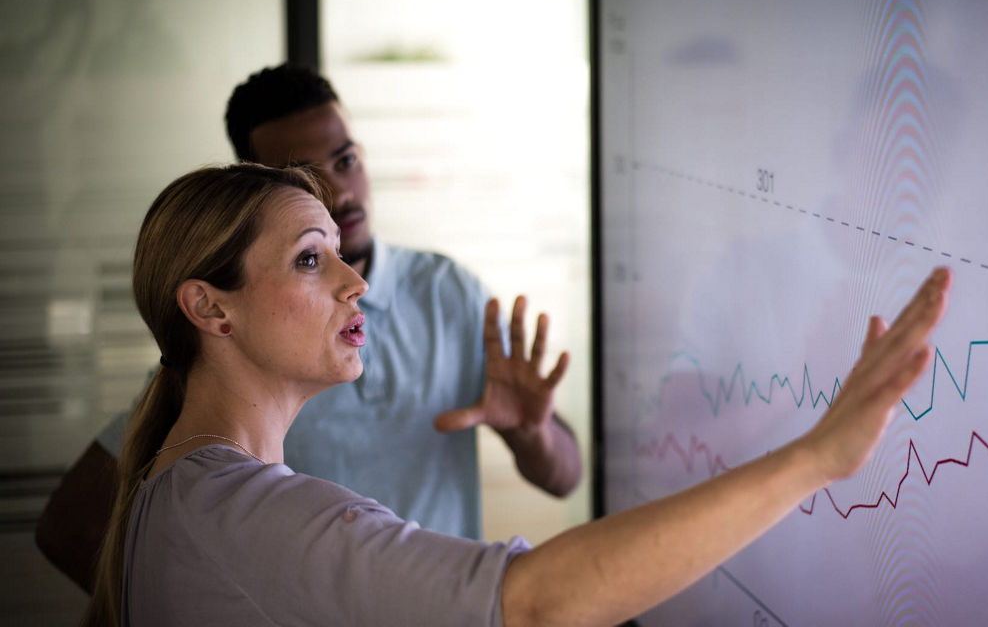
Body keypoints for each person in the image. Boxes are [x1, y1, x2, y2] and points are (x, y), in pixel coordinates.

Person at [84, 162, 952, 626]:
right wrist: (814, 458)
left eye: (340, 252)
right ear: (210, 308)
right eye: (311, 259)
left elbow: (561, 474)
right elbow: (536, 603)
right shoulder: (243, 514)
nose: (355, 282)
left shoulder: (182, 485)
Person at [36, 64, 582, 591]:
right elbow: (71, 527)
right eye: (306, 258)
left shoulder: (449, 293)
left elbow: (564, 478)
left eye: (346, 161)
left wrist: (530, 434)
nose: (341, 194)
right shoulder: (220, 392)